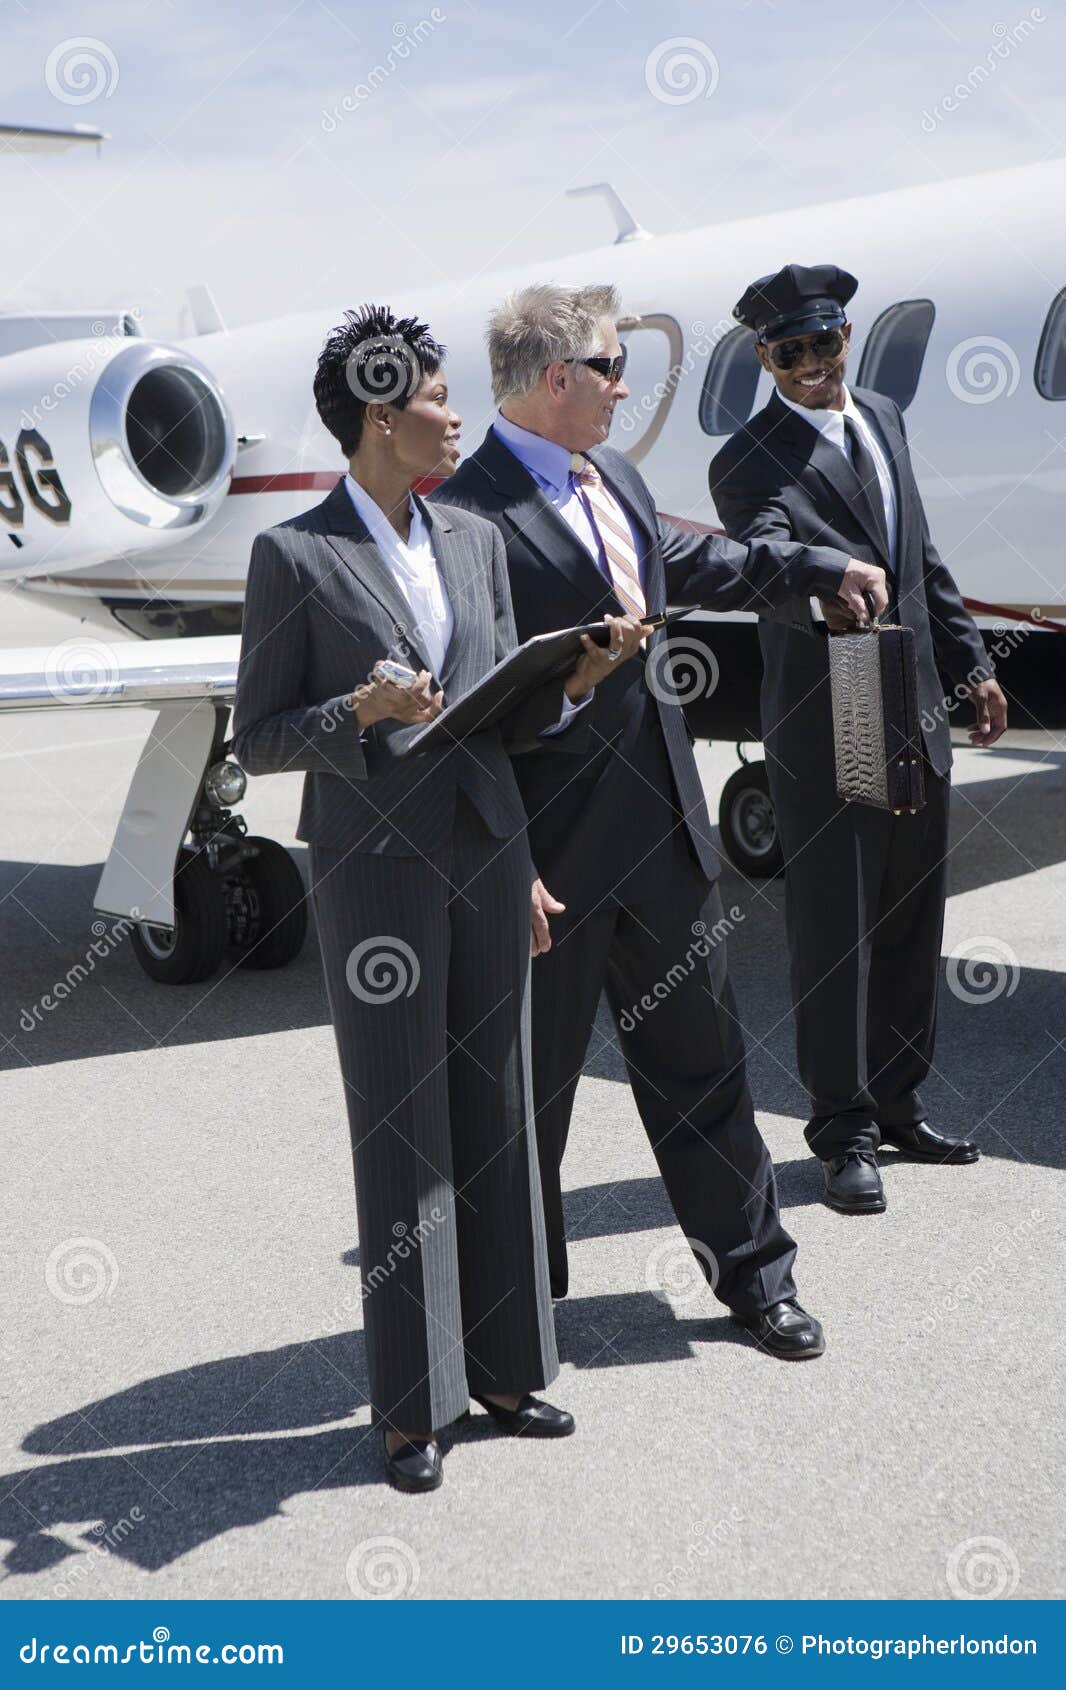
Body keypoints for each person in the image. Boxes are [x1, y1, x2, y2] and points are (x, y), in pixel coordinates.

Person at [432, 281, 887, 1359]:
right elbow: (464, 705)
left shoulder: (615, 475)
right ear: (556, 381)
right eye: (608, 367)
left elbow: (692, 561)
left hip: (663, 843)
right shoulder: (466, 512)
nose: (624, 386)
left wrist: (812, 570)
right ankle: (514, 1315)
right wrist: (566, 702)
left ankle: (754, 1277)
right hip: (544, 863)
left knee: (706, 1072)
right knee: (525, 1105)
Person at [233, 304, 640, 1491]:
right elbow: (260, 739)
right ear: (377, 412)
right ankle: (412, 1408)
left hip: (485, 853)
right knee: (405, 1131)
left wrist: (575, 681)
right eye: (435, 395)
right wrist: (353, 715)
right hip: (374, 870)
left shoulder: (469, 539)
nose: (456, 413)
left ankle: (510, 1371)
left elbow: (503, 718)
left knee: (499, 1116)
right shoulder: (295, 555)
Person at [709, 263, 1008, 1215]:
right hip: (829, 717)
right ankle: (841, 1134)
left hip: (913, 706)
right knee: (835, 933)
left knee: (911, 919)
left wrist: (971, 666)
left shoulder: (883, 416)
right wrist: (824, 572)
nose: (808, 365)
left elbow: (919, 554)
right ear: (764, 358)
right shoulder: (748, 456)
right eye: (786, 352)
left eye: (822, 343)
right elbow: (759, 562)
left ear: (849, 337)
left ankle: (899, 1102)